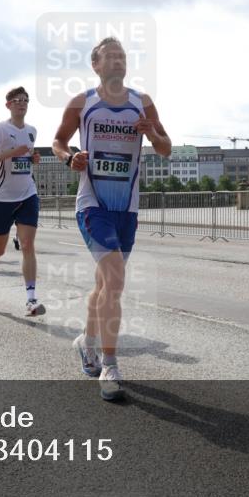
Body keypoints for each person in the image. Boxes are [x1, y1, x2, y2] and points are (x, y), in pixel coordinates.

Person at [52, 36, 171, 401]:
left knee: (105, 283)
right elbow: (58, 141)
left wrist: (151, 132)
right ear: (96, 64)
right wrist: (69, 157)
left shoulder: (142, 102)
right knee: (116, 279)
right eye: (111, 56)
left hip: (127, 208)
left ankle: (85, 342)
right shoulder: (82, 102)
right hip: (93, 204)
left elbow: (166, 149)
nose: (119, 60)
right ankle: (110, 364)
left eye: (123, 55)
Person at [0, 86, 45, 316]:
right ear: (8, 105)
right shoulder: (0, 130)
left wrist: (33, 158)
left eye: (26, 100)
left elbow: (27, 160)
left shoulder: (32, 130)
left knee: (27, 245)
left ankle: (31, 299)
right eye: (17, 100)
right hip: (3, 198)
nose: (22, 104)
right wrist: (11, 154)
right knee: (0, 249)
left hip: (28, 195)